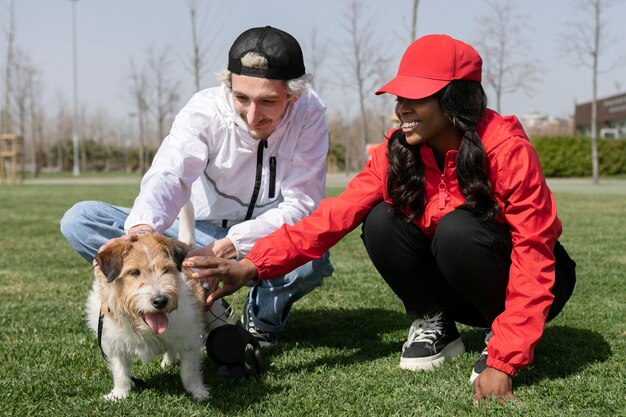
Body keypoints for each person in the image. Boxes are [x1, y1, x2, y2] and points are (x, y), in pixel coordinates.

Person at [183, 34, 576, 403]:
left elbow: (534, 254)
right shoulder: (398, 152)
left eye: (416, 97)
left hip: (524, 282)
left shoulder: (506, 150)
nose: (401, 107)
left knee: (457, 229)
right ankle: (435, 321)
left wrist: (504, 360)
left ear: (456, 99)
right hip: (460, 285)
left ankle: (499, 335)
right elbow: (331, 219)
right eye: (399, 96)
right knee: (381, 219)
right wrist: (251, 266)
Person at [60, 25, 334, 348]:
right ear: (228, 84)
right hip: (192, 237)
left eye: (268, 102)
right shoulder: (204, 109)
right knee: (80, 220)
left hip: (262, 238)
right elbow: (169, 174)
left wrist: (232, 245)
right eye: (242, 98)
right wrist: (142, 230)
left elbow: (302, 205)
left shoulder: (310, 114)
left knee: (313, 256)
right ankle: (189, 303)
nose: (252, 115)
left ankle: (260, 321)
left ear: (293, 95)